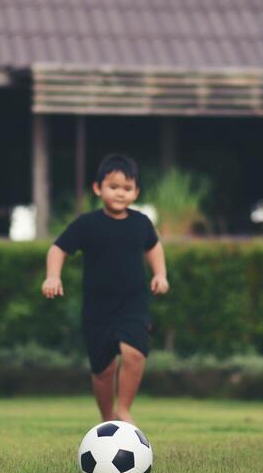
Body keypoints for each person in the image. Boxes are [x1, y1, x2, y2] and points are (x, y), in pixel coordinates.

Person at [41, 153, 169, 423]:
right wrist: (53, 277)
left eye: (127, 188)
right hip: (98, 310)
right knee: (103, 369)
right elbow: (58, 248)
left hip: (133, 305)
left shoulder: (141, 223)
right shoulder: (87, 224)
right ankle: (107, 419)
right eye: (113, 187)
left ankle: (124, 409)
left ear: (136, 192)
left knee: (134, 352)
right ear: (98, 188)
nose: (120, 193)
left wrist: (160, 274)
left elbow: (154, 247)